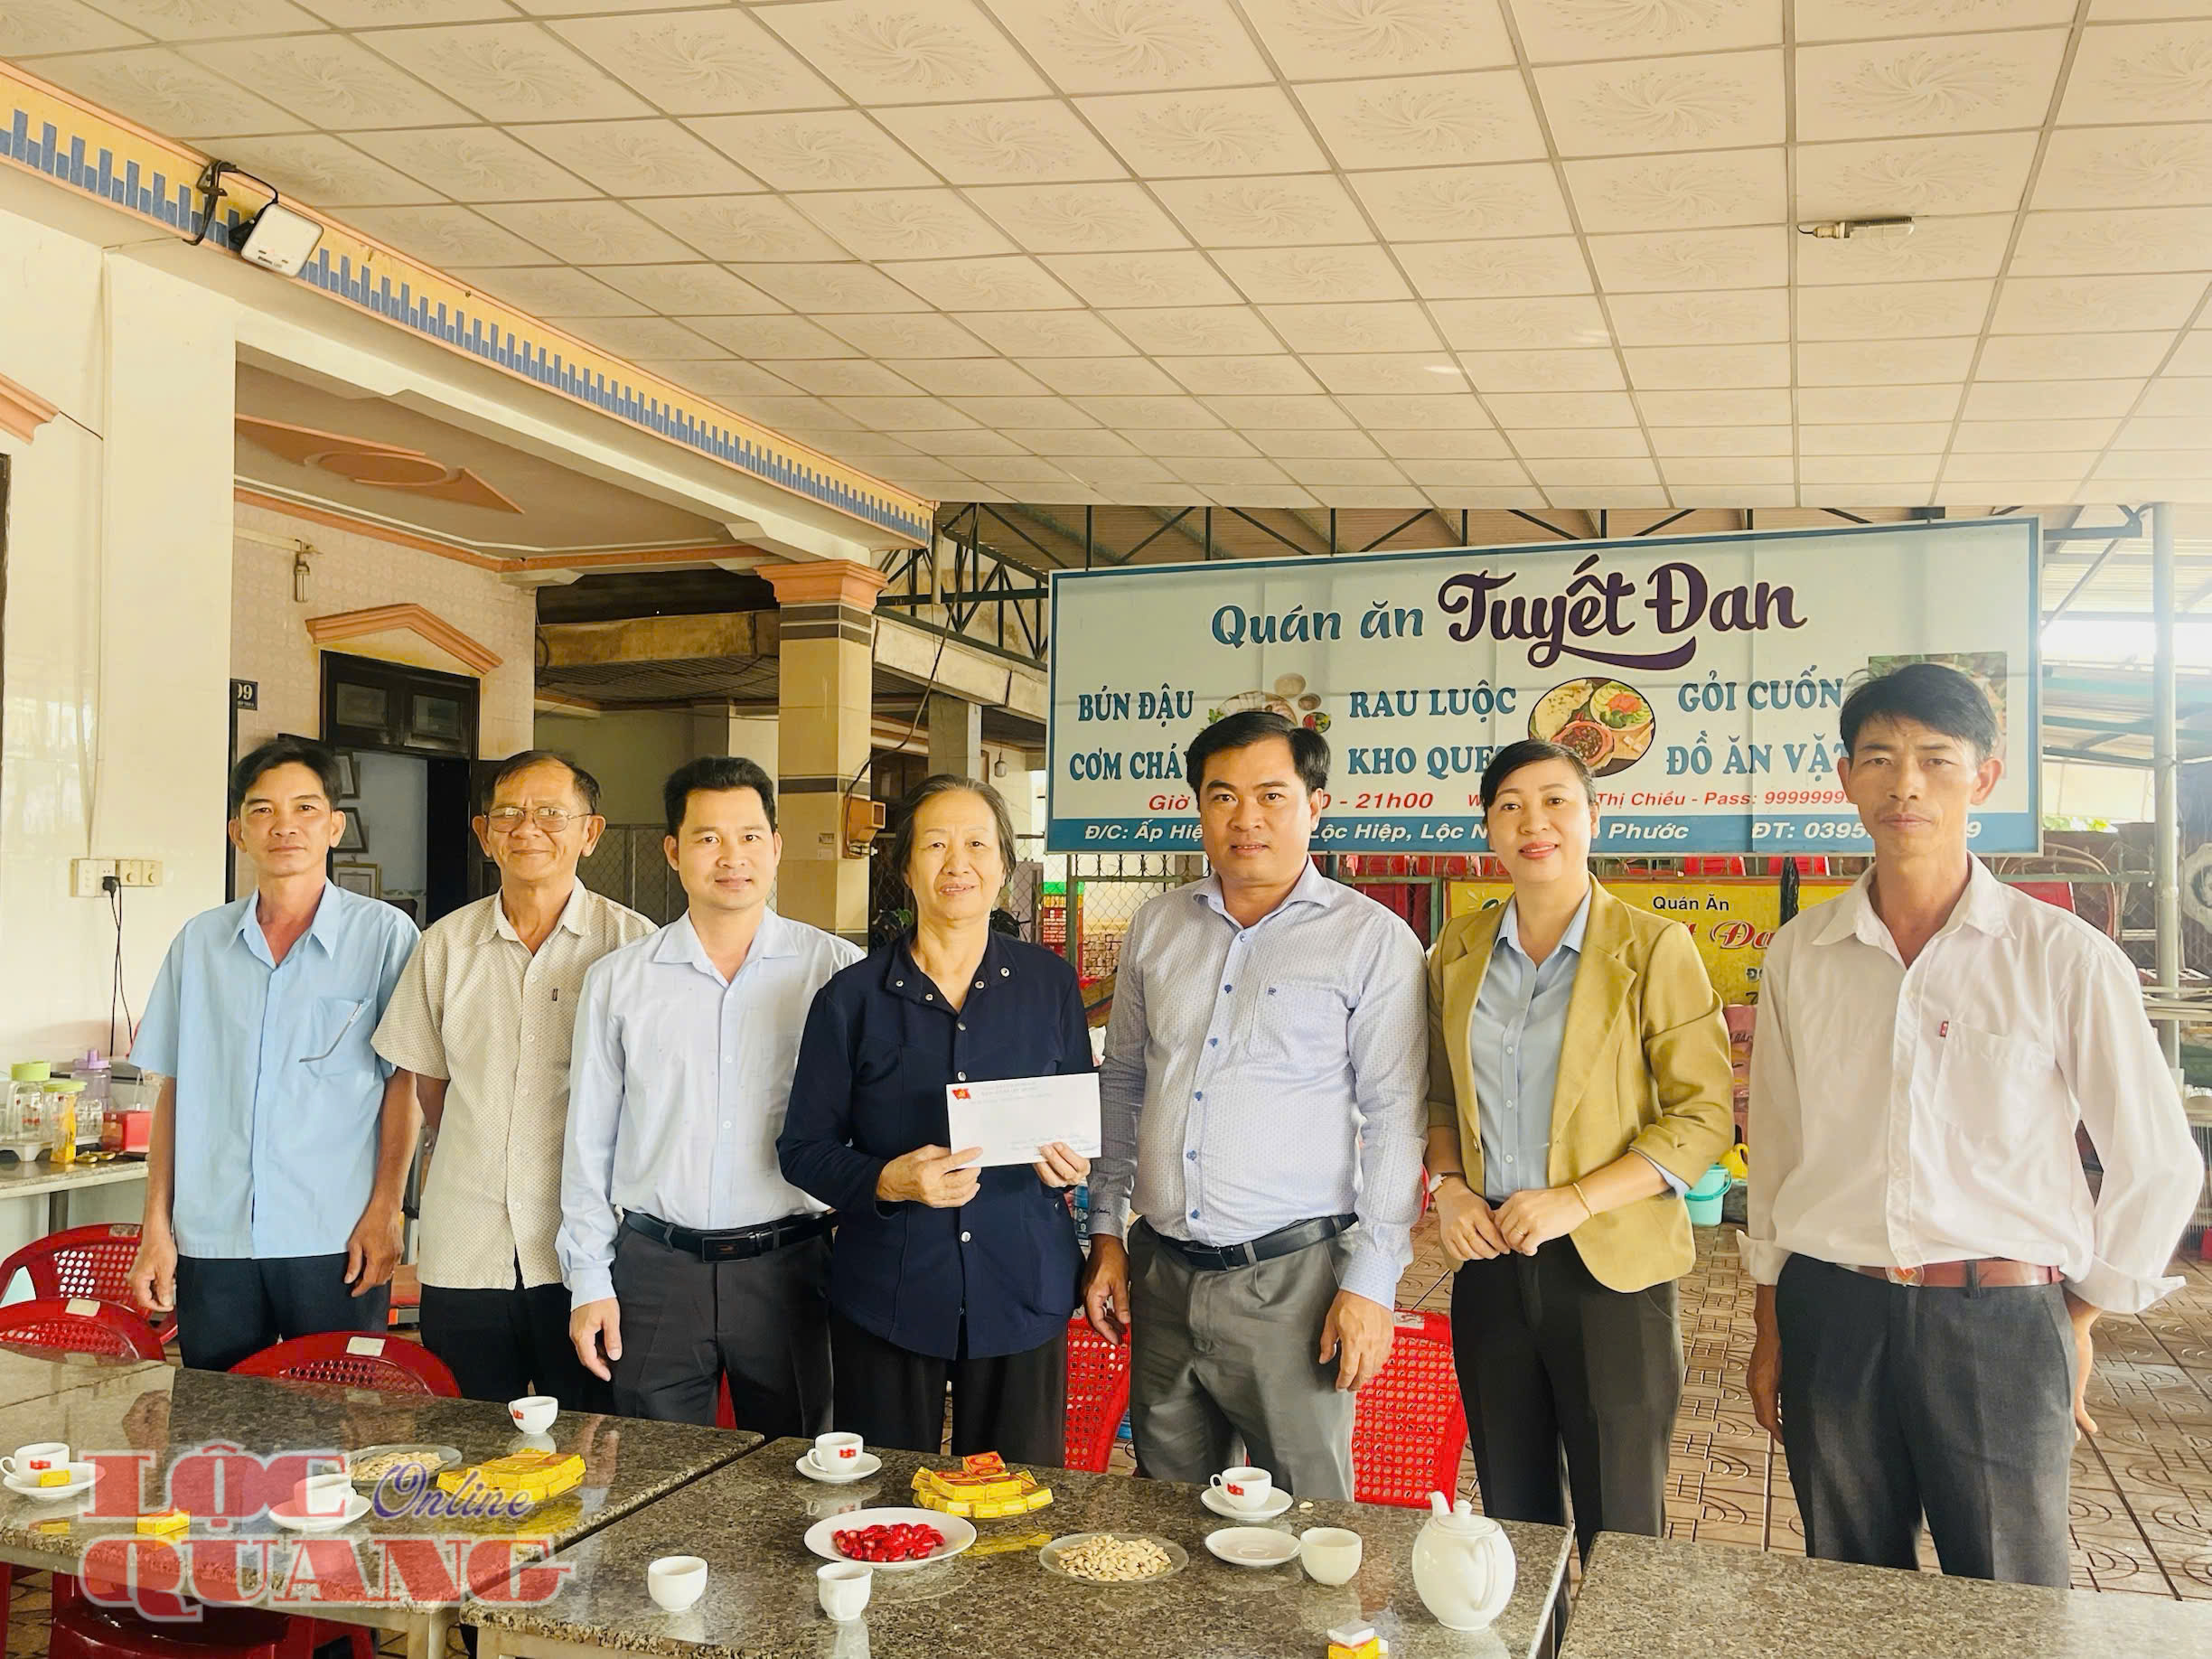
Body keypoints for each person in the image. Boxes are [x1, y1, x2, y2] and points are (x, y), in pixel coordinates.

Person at [1746, 661, 2203, 1587]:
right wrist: (1770, 1317)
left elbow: (2158, 1162)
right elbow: (1781, 1148)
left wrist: (2077, 1313)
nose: (1905, 784)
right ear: (1846, 779)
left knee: (2009, 1598)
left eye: (1935, 759)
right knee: (1847, 1590)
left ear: (1983, 778)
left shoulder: (2062, 957)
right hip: (1833, 1312)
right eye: (1879, 758)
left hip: (2000, 1322)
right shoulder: (1802, 954)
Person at [1083, 710, 1427, 1500]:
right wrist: (1105, 1231)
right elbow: (1123, 1081)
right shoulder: (1158, 925)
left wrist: (1372, 1282)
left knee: (1306, 1519)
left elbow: (1397, 1115)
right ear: (1199, 808)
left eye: (1272, 795)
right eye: (1223, 796)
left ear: (1316, 804)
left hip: (1293, 1286)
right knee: (1167, 1510)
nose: (1247, 819)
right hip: (1162, 1275)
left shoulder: (1371, 940)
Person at [1426, 739, 1732, 1558]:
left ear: (1594, 816)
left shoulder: (1654, 948)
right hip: (1490, 1259)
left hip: (1612, 1271)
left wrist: (1578, 1199)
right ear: (1488, 827)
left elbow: (1704, 1115)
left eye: (1556, 801)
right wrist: (1449, 1186)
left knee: (1621, 1528)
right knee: (1513, 1517)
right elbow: (1439, 1095)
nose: (1535, 823)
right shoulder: (1456, 950)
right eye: (1511, 806)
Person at [781, 776, 1092, 1467]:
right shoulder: (851, 1000)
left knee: (1013, 1501)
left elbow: (1076, 1120)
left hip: (1022, 1288)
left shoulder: (1049, 985)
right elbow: (802, 1150)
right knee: (886, 1500)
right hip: (889, 1294)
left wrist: (1071, 1165)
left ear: (1004, 866)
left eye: (977, 844)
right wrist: (887, 1180)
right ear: (905, 868)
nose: (959, 863)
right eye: (936, 844)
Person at [558, 756, 859, 1431]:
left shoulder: (836, 972)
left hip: (794, 1269)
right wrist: (589, 1280)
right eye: (708, 838)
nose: (732, 857)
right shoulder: (620, 980)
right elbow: (588, 1141)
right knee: (655, 1470)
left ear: (776, 846)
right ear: (673, 851)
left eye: (749, 836)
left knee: (797, 1468)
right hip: (655, 1273)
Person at [125, 737, 418, 1371]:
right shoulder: (199, 944)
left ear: (335, 826)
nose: (285, 825)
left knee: (337, 1413)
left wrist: (387, 1210)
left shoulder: (384, 937)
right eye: (263, 810)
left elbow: (405, 1084)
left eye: (305, 808)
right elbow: (175, 1089)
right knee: (216, 1419)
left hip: (336, 1235)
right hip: (213, 1238)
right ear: (238, 832)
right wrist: (157, 1227)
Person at [371, 750, 652, 1406]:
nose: (528, 829)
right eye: (509, 815)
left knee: (594, 1438)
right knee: (466, 1433)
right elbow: (429, 1084)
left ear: (590, 832)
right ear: (484, 833)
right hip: (467, 1246)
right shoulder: (444, 945)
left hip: (589, 1257)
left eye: (551, 813)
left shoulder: (633, 947)